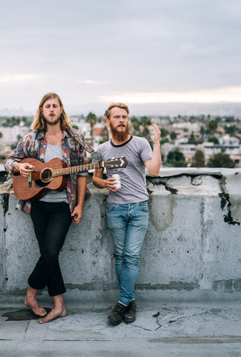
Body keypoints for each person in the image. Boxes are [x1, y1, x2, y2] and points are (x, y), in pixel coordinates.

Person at [4, 93, 89, 324]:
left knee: (50, 253)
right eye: (47, 106)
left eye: (55, 106)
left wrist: (80, 204)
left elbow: (82, 173)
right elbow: (9, 162)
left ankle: (30, 296)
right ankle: (59, 305)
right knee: (49, 256)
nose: (51, 109)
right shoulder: (31, 139)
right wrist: (20, 166)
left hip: (64, 204)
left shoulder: (75, 139)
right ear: (42, 111)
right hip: (37, 204)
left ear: (61, 110)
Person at [92, 102, 161, 325]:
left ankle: (121, 303)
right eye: (117, 117)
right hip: (115, 208)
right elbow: (95, 178)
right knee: (120, 256)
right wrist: (105, 183)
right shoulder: (102, 149)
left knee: (131, 256)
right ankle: (130, 303)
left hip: (139, 207)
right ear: (108, 121)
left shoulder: (140, 143)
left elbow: (154, 170)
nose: (121, 120)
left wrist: (157, 142)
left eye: (124, 116)